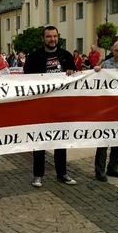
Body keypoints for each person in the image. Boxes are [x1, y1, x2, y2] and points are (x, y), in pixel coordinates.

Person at [23, 25, 78, 188]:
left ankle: (62, 173)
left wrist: (71, 73)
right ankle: (38, 175)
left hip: (61, 106)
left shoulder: (66, 56)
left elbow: (75, 78)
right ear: (43, 38)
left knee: (60, 141)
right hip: (40, 106)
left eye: (54, 36)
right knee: (39, 141)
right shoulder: (33, 57)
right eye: (49, 36)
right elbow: (26, 81)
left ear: (58, 37)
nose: (52, 39)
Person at [92, 41, 118, 182]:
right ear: (112, 51)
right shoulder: (106, 64)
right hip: (106, 109)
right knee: (103, 140)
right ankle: (99, 170)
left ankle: (113, 168)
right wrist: (96, 71)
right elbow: (95, 78)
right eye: (116, 50)